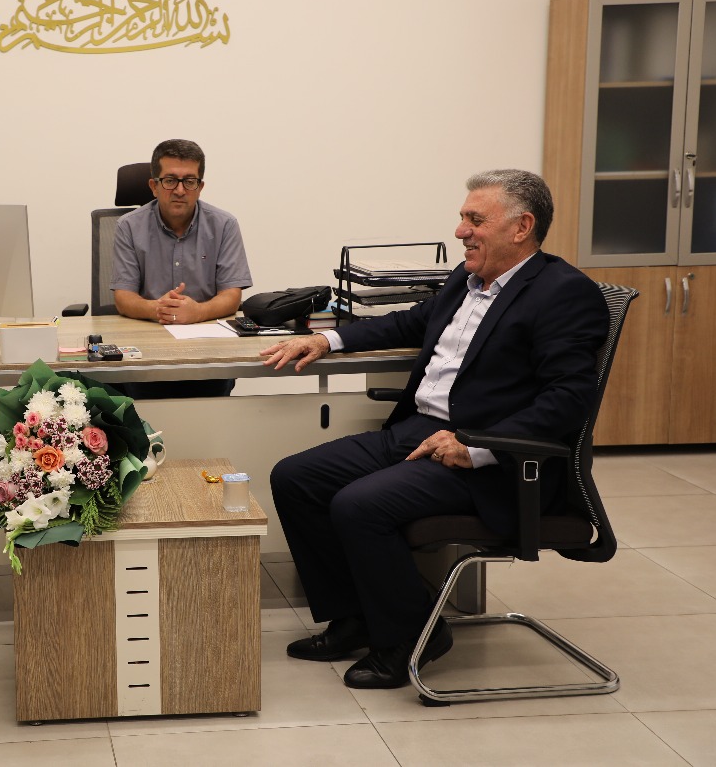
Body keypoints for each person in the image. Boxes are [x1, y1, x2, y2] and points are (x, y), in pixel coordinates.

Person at [260, 169, 607, 690]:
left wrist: (475, 446)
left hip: (493, 460)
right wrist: (327, 340)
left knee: (359, 505)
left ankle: (412, 635)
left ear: (522, 227)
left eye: (475, 220)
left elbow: (567, 399)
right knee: (296, 478)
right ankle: (356, 619)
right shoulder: (466, 281)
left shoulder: (563, 293)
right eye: (463, 218)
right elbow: (407, 322)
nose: (461, 231)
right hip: (419, 431)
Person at [111, 139, 253, 398]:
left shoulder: (224, 225)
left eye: (189, 181)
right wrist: (159, 308)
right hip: (146, 349)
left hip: (208, 352)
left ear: (200, 187)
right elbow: (123, 297)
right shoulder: (128, 226)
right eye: (170, 180)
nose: (179, 190)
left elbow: (232, 295)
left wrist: (198, 312)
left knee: (210, 403)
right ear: (154, 186)